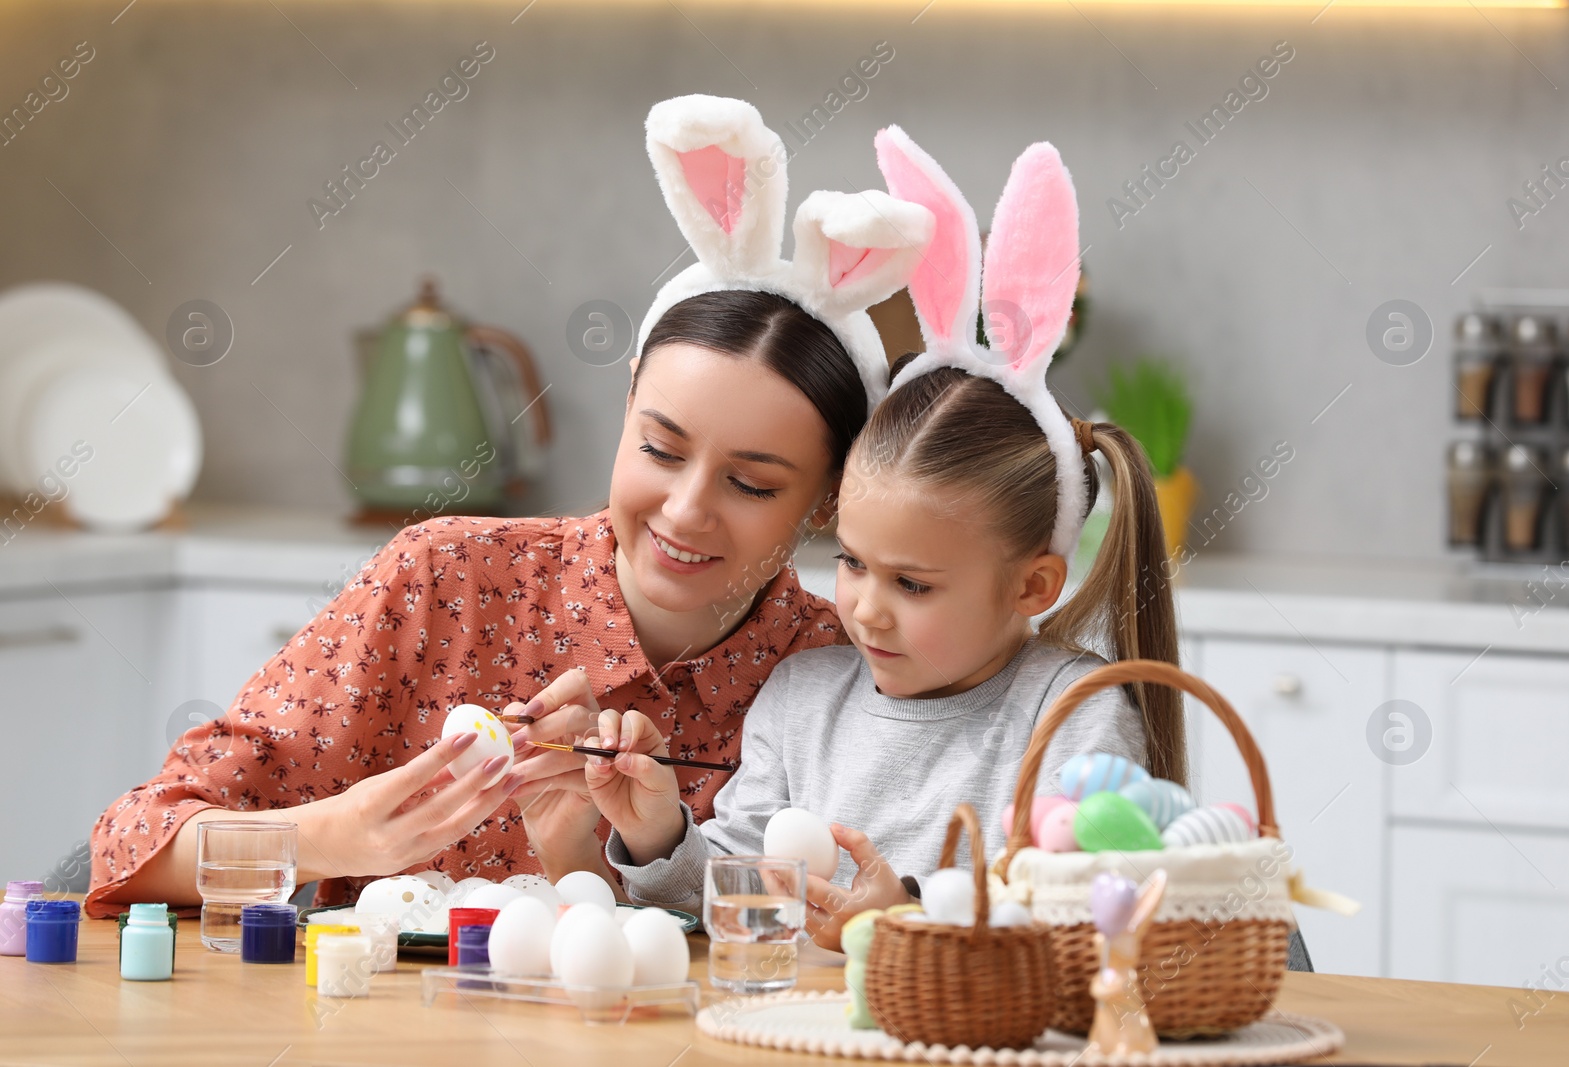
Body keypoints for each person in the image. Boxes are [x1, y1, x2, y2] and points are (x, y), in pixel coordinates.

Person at [83, 94, 933, 918]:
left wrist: (594, 867)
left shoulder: (844, 670)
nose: (684, 509)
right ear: (627, 403)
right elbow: (135, 841)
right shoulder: (443, 580)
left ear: (827, 499)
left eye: (752, 483)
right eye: (660, 449)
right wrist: (333, 839)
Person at [581, 128, 1187, 950]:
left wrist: (902, 919)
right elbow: (731, 904)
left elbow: (1083, 918)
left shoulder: (1069, 717)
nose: (865, 609)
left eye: (913, 584)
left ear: (1033, 586)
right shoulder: (801, 699)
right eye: (853, 564)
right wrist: (658, 833)